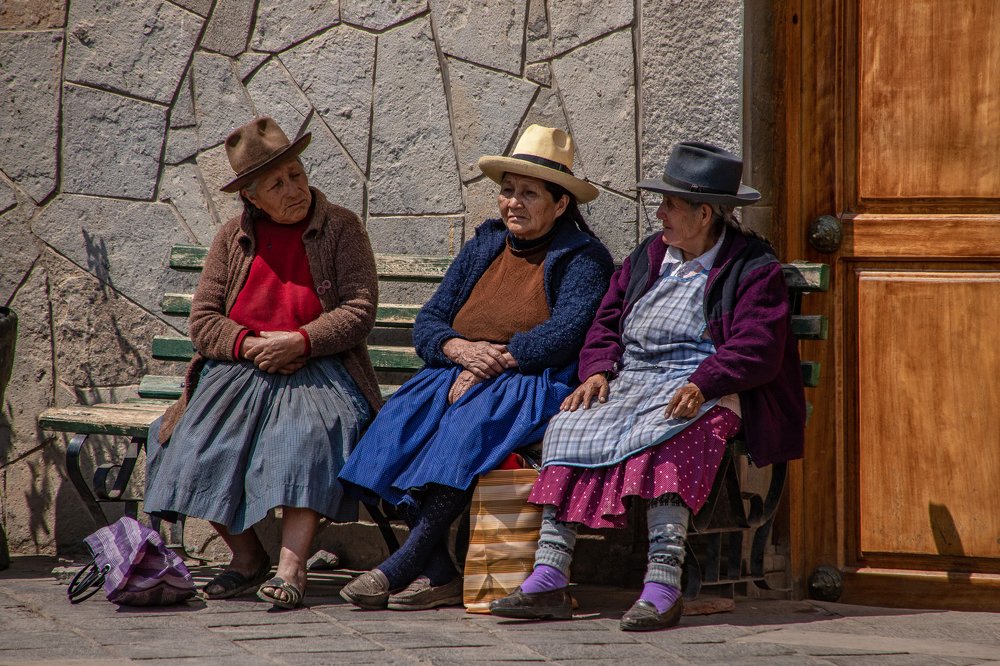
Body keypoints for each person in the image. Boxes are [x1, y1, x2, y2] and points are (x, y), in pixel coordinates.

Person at [490, 142, 807, 631]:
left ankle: (663, 584)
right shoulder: (649, 256)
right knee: (569, 425)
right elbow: (606, 320)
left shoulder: (752, 267)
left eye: (669, 205)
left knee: (672, 438)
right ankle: (549, 576)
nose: (658, 213)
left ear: (704, 213)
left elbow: (757, 347)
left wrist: (704, 383)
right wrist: (597, 370)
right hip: (634, 378)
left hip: (709, 383)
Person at [337, 125, 615, 611]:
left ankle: (399, 567)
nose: (513, 203)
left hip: (528, 380)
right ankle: (439, 570)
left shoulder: (583, 257)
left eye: (529, 193)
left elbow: (569, 330)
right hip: (456, 371)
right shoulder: (484, 245)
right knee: (389, 432)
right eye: (508, 191)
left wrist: (499, 359)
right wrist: (461, 352)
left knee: (463, 436)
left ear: (561, 204)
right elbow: (429, 322)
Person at [144, 116, 381, 609]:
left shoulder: (340, 227)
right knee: (190, 438)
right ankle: (247, 558)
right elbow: (204, 322)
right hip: (241, 368)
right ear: (251, 197)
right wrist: (252, 344)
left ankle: (291, 569)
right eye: (276, 183)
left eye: (296, 174)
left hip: (320, 367)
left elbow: (358, 311)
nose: (294, 188)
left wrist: (300, 340)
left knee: (306, 437)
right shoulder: (231, 238)